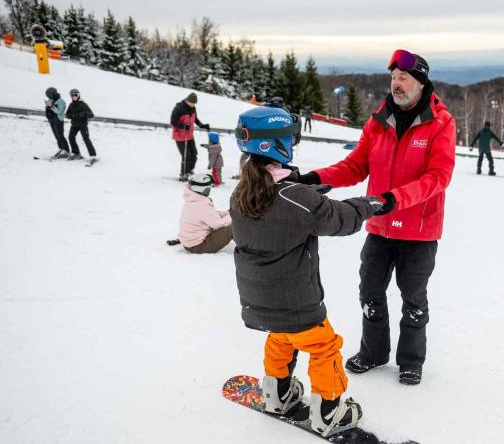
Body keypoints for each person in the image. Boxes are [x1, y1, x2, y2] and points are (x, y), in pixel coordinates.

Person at [292, 49, 455, 386]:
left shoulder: (442, 124)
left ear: (421, 82)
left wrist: (396, 199)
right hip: (380, 225)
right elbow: (355, 166)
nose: (396, 84)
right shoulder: (378, 121)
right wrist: (315, 178)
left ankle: (411, 360)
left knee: (413, 298)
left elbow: (438, 177)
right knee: (370, 291)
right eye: (393, 78)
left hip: (418, 231)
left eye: (403, 78)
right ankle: (373, 352)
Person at [230, 106, 383, 437]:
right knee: (324, 345)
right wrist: (367, 205)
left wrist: (310, 195)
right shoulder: (297, 199)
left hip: (258, 302)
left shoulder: (241, 193)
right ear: (280, 144)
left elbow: (282, 207)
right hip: (297, 302)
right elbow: (340, 219)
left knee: (281, 337)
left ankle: (277, 393)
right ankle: (329, 411)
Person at [177, 174, 233, 254]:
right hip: (198, 246)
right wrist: (234, 216)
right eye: (209, 188)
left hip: (189, 244)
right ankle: (249, 247)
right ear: (204, 189)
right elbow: (217, 224)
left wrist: (229, 212)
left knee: (231, 221)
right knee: (234, 225)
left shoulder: (192, 200)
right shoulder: (202, 205)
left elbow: (212, 216)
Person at [170, 92, 210, 181]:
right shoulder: (179, 108)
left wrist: (202, 125)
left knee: (194, 154)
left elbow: (195, 119)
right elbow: (173, 122)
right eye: (191, 103)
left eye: (194, 103)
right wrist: (183, 126)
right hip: (180, 136)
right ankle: (183, 174)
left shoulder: (193, 108)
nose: (193, 105)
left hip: (189, 135)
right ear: (187, 101)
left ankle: (189, 170)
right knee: (186, 156)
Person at [65, 88, 97, 163]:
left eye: (76, 95)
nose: (74, 97)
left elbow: (91, 115)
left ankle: (93, 156)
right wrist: (71, 116)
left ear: (78, 95)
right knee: (71, 137)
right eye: (72, 95)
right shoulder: (71, 105)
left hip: (83, 125)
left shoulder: (83, 105)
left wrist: (84, 115)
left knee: (86, 139)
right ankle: (76, 153)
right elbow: (67, 114)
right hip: (74, 124)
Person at [44, 87, 70, 159]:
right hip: (52, 120)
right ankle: (61, 148)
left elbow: (59, 111)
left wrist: (51, 106)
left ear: (53, 94)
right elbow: (48, 109)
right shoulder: (50, 100)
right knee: (56, 136)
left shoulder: (61, 101)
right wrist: (47, 109)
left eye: (49, 95)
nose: (48, 97)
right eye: (47, 95)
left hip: (58, 120)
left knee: (60, 136)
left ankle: (66, 150)